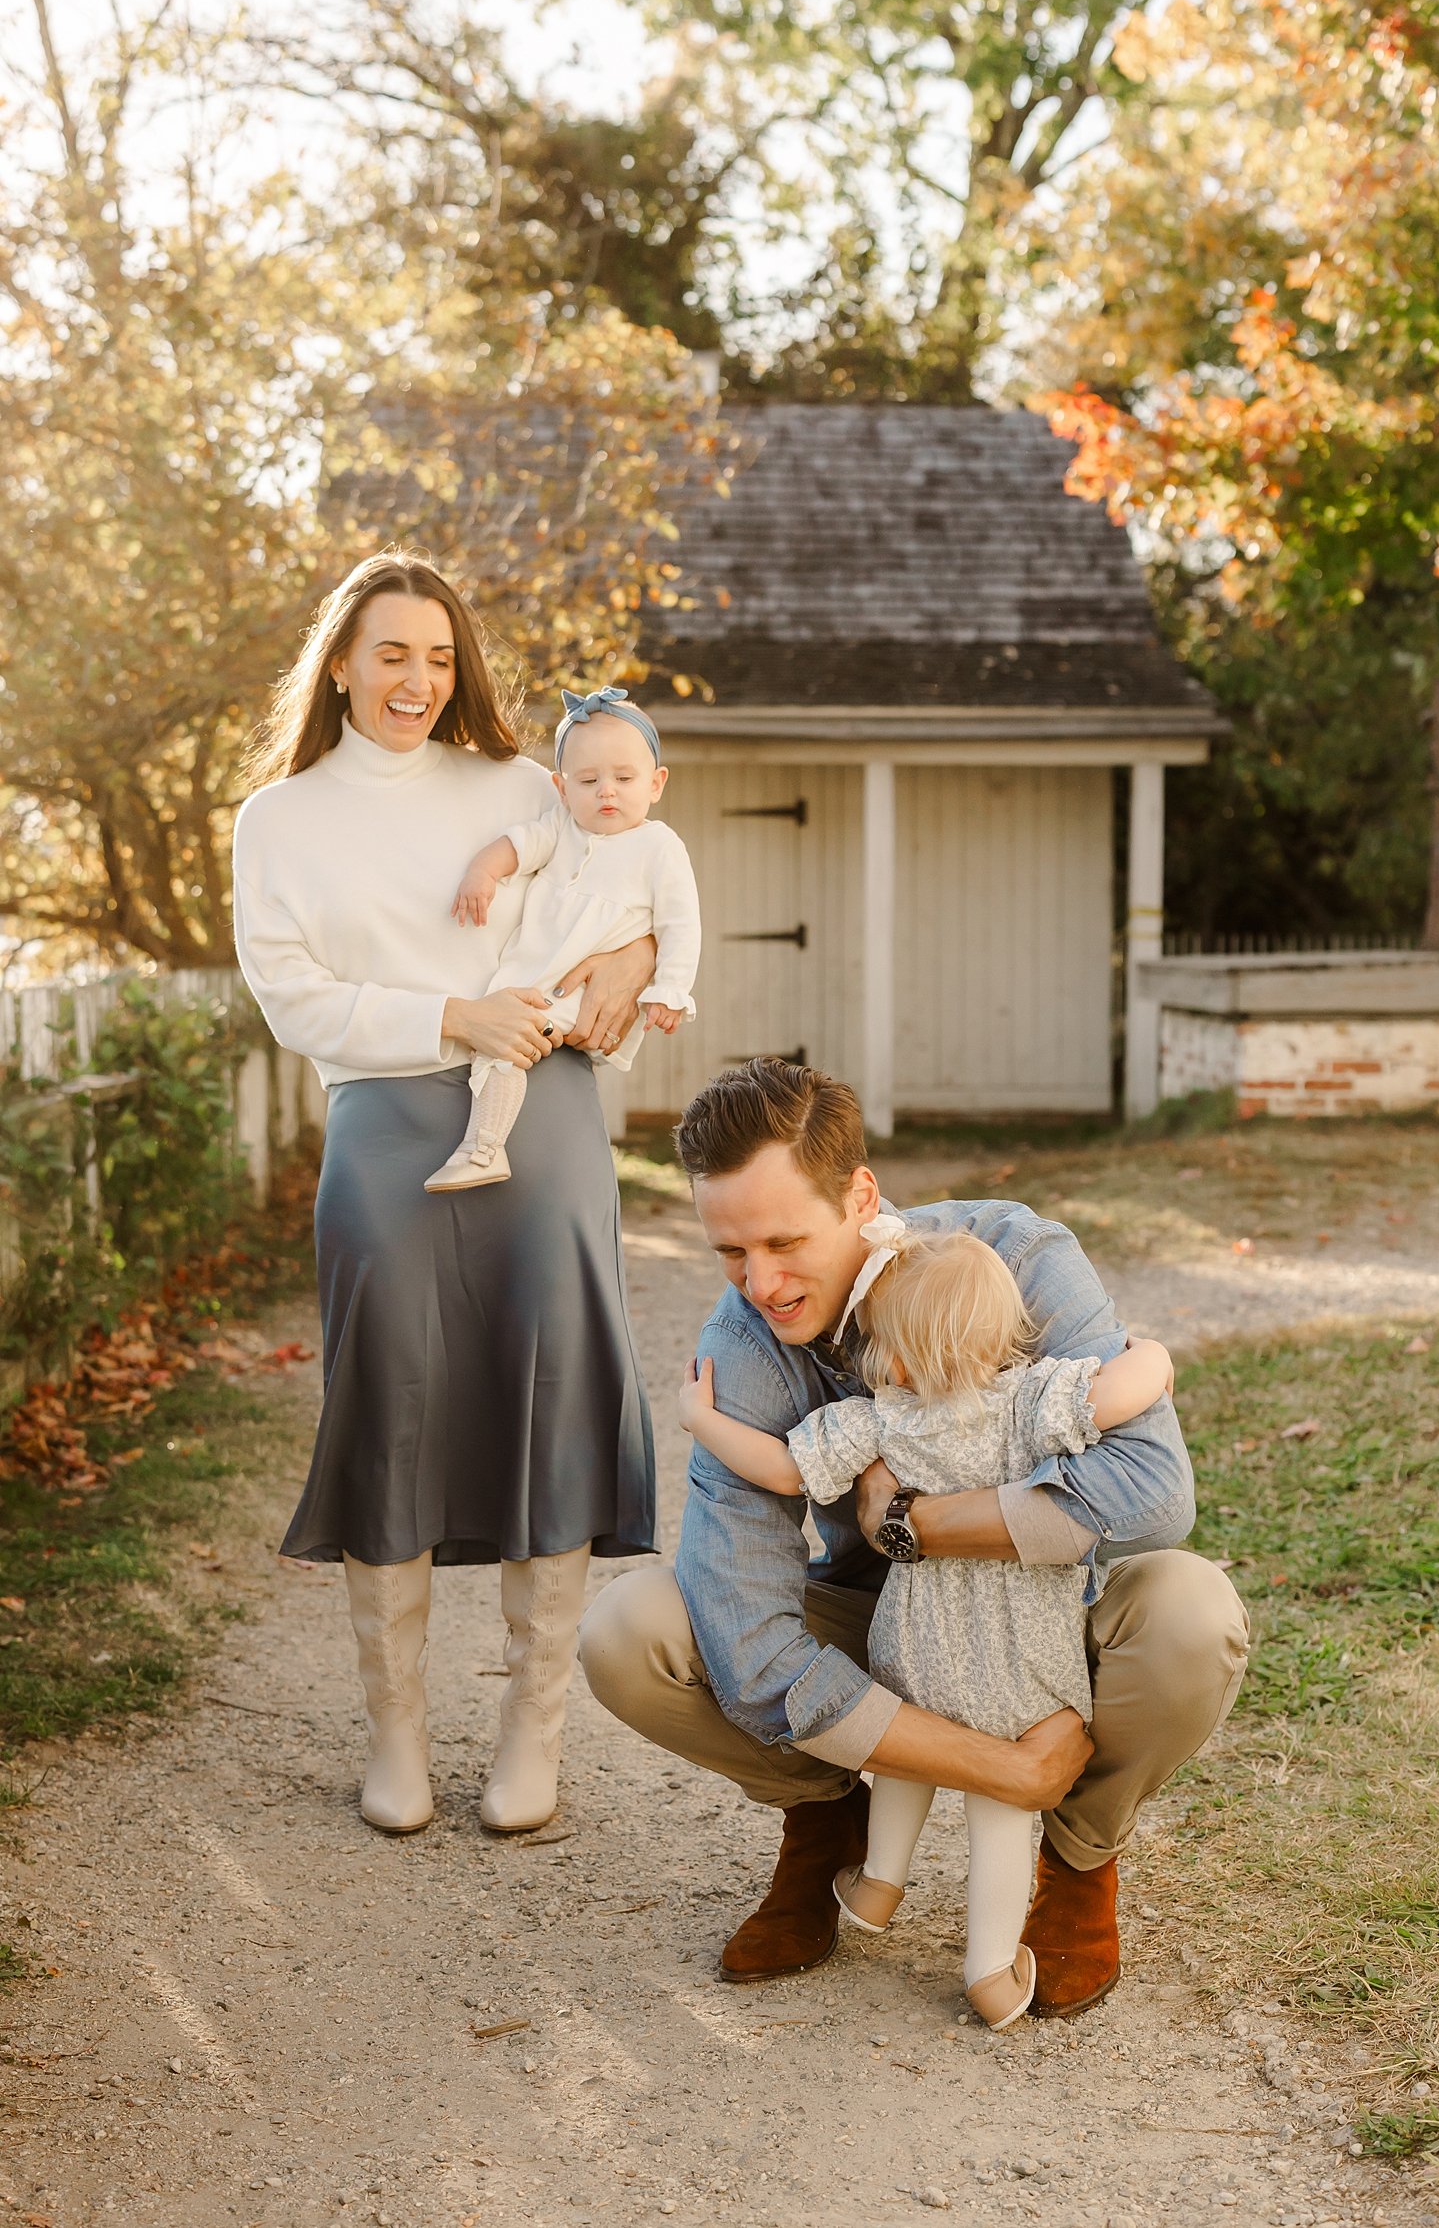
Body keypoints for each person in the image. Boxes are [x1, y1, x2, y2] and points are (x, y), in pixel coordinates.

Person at [581, 1058, 1249, 2017]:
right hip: (880, 1628)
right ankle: (826, 1818)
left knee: (1193, 1611)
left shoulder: (1013, 1259)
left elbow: (1151, 1492)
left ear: (860, 1195)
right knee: (631, 1634)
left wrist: (914, 1524)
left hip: (1044, 1626)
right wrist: (1000, 1768)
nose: (760, 1283)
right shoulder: (741, 1347)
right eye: (729, 1251)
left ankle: (1076, 1854)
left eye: (783, 1240)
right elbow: (744, 1631)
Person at [232, 550, 657, 1840]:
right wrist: (448, 1012)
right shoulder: (279, 819)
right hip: (382, 1128)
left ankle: (533, 1739)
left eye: (437, 654)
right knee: (392, 1402)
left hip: (547, 1120)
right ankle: (398, 1740)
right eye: (390, 653)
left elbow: (629, 887)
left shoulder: (527, 786)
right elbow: (292, 996)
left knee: (555, 1383)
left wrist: (633, 951)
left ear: (457, 665)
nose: (417, 678)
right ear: (344, 666)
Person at [678, 1219, 1175, 2028]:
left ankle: (876, 1885)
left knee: (906, 1752)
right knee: (1001, 1813)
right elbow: (1122, 1391)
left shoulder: (880, 1418)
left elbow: (780, 1466)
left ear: (897, 1356)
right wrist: (1154, 1354)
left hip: (912, 1650)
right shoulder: (1032, 1402)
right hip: (1023, 1666)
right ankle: (987, 1972)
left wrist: (700, 1419)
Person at [427, 685, 700, 1192]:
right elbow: (516, 845)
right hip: (532, 977)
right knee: (496, 1047)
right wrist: (483, 873)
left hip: (579, 994)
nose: (607, 792)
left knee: (504, 1049)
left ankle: (483, 1146)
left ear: (656, 783)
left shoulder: (658, 846)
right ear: (561, 787)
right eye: (589, 780)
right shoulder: (560, 827)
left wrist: (670, 989)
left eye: (624, 778)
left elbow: (680, 925)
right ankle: (486, 1143)